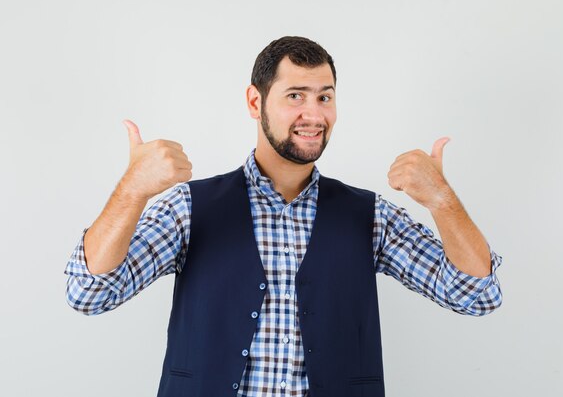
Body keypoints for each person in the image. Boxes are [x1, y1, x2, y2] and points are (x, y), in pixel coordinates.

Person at [64, 36, 503, 397]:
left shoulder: (369, 217)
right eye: (295, 95)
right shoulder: (189, 209)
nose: (313, 115)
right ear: (255, 102)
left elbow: (475, 295)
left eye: (324, 97)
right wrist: (133, 190)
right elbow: (89, 293)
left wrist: (441, 199)